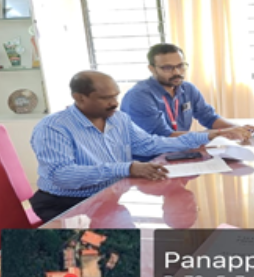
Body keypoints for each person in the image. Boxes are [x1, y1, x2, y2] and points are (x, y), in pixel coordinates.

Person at [29, 71, 227, 222]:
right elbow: (62, 176)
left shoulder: (119, 119)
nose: (114, 103)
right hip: (66, 204)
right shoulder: (53, 128)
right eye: (106, 98)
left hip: (108, 196)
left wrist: (207, 136)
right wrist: (127, 168)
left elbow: (151, 144)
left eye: (115, 96)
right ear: (80, 97)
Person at [121, 43, 254, 143]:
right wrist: (221, 133)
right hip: (149, 160)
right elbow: (163, 137)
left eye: (180, 66)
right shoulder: (139, 96)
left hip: (181, 151)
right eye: (168, 68)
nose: (177, 72)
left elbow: (209, 118)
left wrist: (239, 128)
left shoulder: (187, 89)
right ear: (152, 69)